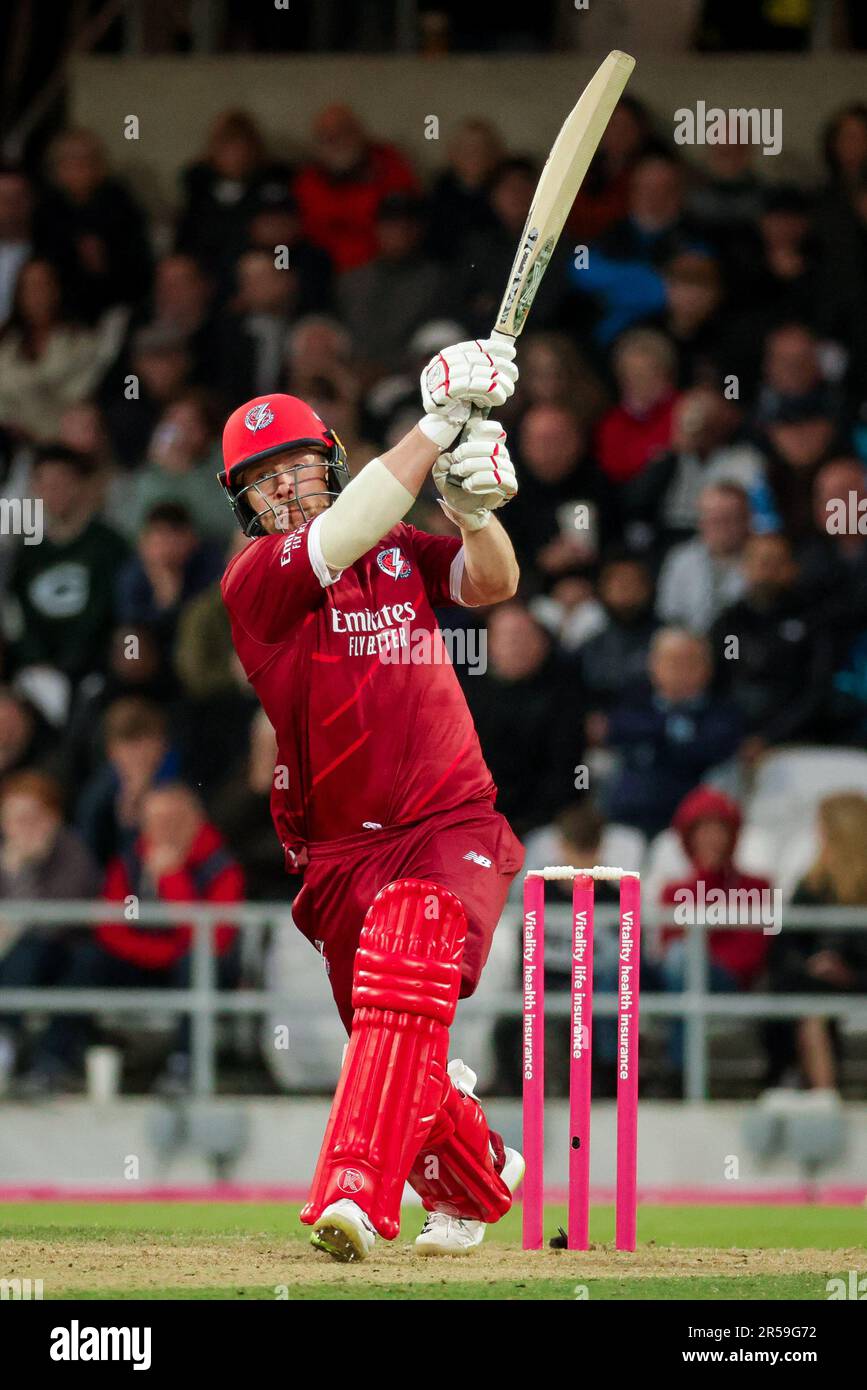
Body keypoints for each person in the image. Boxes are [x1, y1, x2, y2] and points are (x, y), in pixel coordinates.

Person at [218, 335, 525, 1261]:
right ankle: (482, 1170)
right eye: (264, 483)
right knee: (400, 1057)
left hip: (449, 819)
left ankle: (354, 1193)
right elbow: (343, 530)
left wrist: (472, 512)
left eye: (302, 466)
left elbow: (494, 582)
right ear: (244, 509)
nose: (289, 489)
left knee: (412, 949)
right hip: (337, 854)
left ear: (333, 463)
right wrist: (433, 429)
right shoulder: (259, 583)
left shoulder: (395, 548)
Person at [657, 786, 772, 1092]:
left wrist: (703, 947)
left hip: (730, 983)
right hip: (680, 979)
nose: (710, 838)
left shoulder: (757, 886)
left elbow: (751, 957)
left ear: (732, 834)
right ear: (688, 836)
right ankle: (606, 1075)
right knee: (615, 967)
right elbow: (665, 949)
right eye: (701, 829)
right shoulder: (672, 890)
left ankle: (678, 1073)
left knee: (684, 958)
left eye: (718, 828)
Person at [764, 793, 867, 1092]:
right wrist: (813, 965)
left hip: (857, 981)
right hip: (815, 984)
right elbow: (783, 949)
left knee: (807, 999)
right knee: (801, 995)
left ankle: (814, 1088)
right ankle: (817, 1089)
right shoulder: (812, 885)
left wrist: (849, 974)